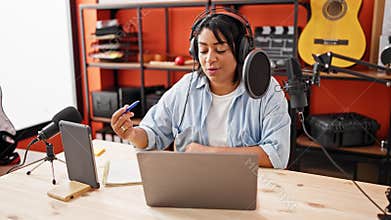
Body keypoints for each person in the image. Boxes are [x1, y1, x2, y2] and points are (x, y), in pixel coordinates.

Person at [111, 9, 291, 169]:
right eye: (203, 51)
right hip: (191, 183)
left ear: (242, 51)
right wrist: (133, 134)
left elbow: (276, 155)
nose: (209, 59)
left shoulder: (267, 89)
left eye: (220, 50)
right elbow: (153, 134)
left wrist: (209, 153)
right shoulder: (186, 87)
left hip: (250, 185)